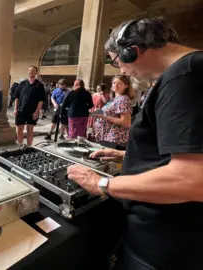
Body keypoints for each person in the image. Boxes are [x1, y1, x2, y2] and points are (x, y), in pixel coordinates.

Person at [67, 17, 203, 270]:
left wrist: (101, 183)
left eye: (116, 61)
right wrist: (127, 155)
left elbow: (193, 179)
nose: (120, 70)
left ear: (132, 52)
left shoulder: (184, 77)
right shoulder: (189, 71)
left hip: (163, 244)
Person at [93, 75, 134, 149]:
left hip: (114, 139)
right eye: (114, 83)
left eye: (120, 83)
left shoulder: (123, 99)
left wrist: (104, 117)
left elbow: (126, 122)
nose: (116, 85)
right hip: (106, 137)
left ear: (126, 86)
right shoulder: (114, 99)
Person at [13, 65, 46, 146]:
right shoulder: (22, 83)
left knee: (30, 130)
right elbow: (17, 97)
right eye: (29, 70)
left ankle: (29, 147)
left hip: (32, 111)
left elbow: (41, 100)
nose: (31, 72)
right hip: (21, 110)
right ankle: (20, 146)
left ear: (36, 72)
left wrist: (37, 112)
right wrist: (15, 109)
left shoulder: (39, 85)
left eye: (33, 70)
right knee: (19, 129)